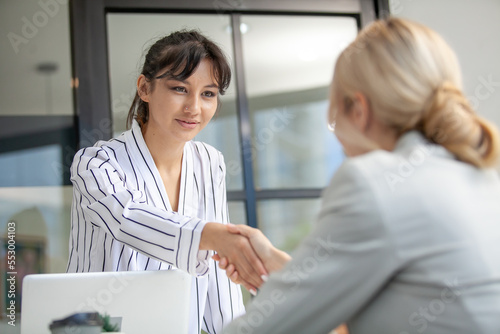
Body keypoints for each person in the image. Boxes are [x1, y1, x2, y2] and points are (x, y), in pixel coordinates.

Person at [220, 17, 500, 334]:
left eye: (333, 118)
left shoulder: (374, 182)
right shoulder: (480, 176)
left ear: (359, 111)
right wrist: (281, 268)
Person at [66, 30, 268, 334]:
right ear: (145, 89)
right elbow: (127, 220)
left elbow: (215, 273)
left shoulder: (209, 162)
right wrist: (212, 235)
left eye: (208, 93)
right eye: (179, 89)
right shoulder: (95, 163)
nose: (194, 108)